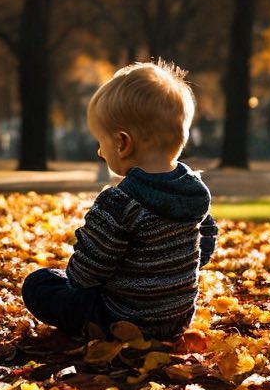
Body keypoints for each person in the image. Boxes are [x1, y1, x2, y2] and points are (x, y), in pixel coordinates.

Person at [22, 60, 217, 341]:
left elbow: (85, 275)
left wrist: (76, 271)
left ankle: (100, 327)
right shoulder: (194, 192)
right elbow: (205, 249)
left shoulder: (119, 202)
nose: (100, 152)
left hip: (122, 316)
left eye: (101, 141)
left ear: (122, 143)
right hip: (177, 318)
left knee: (39, 284)